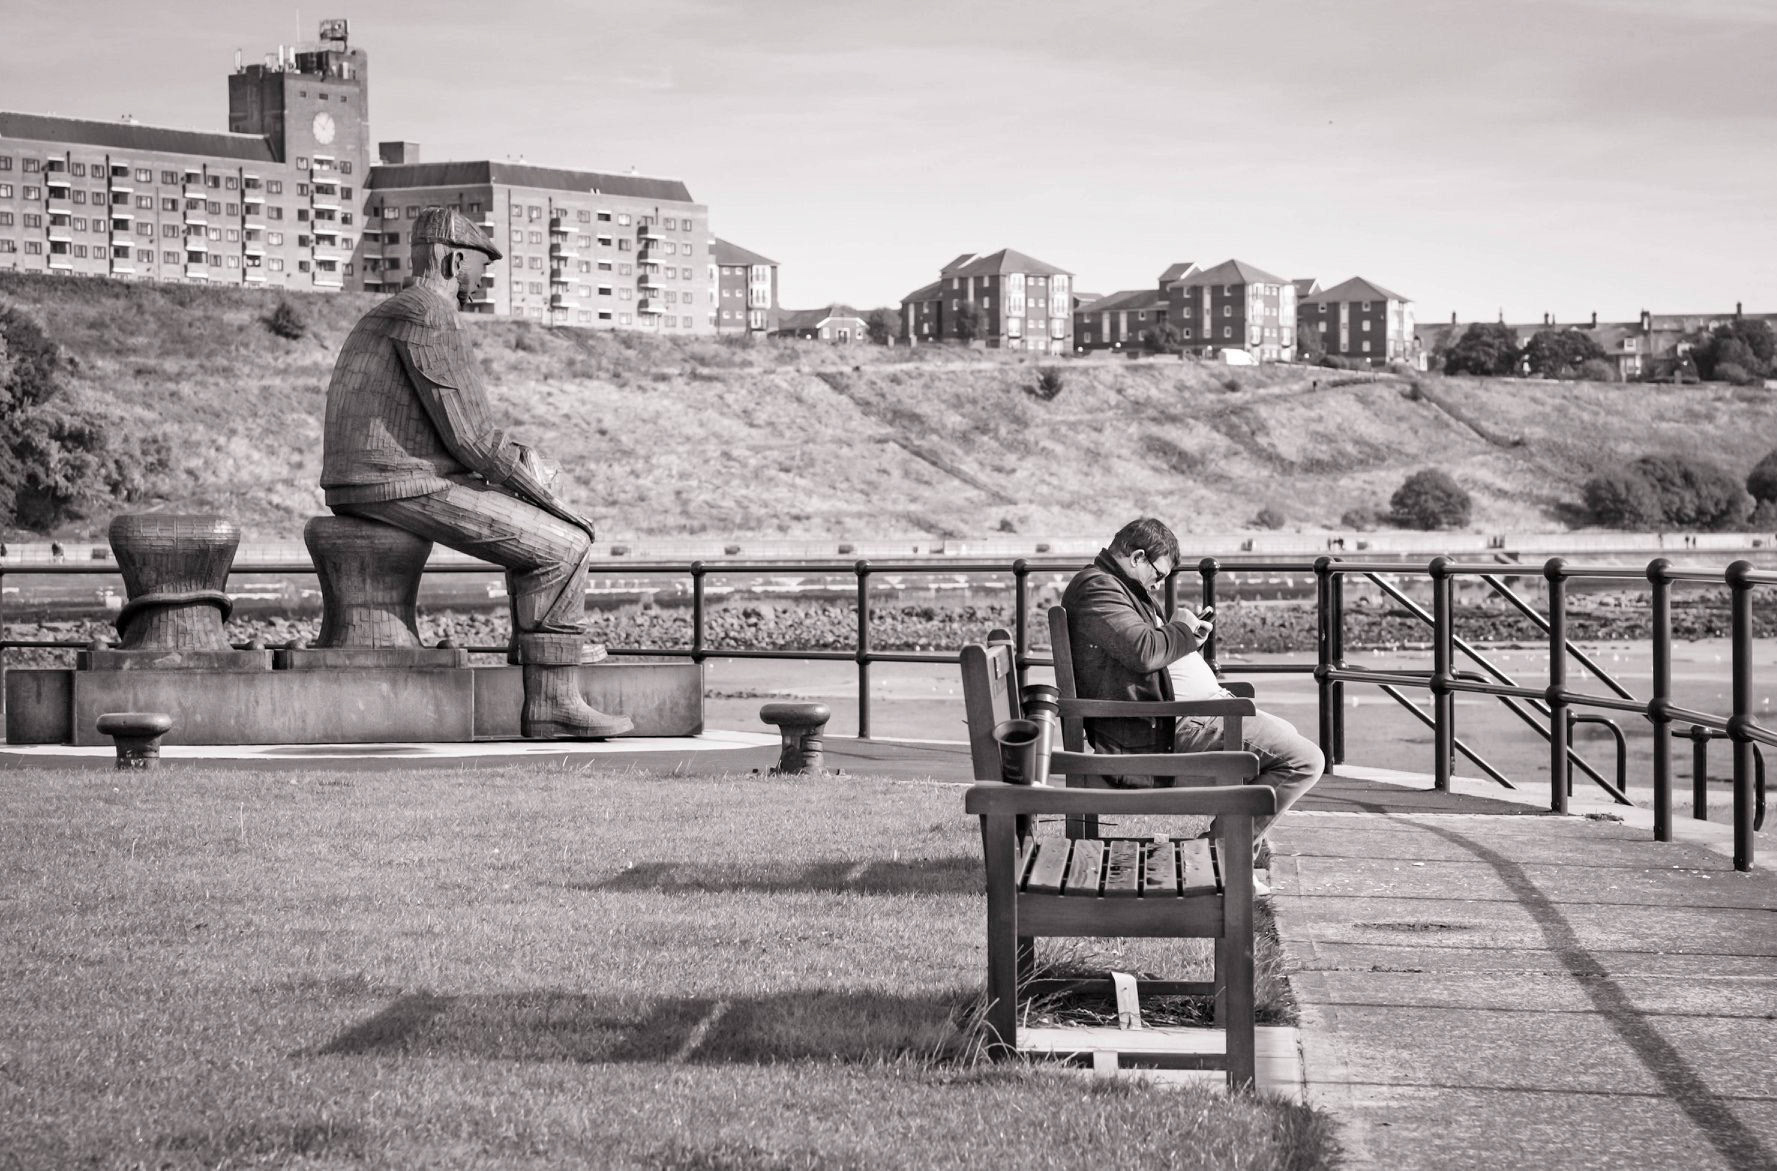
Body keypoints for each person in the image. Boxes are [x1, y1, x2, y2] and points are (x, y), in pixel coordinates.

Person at [320, 207, 630, 739]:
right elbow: (472, 438)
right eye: (479, 269)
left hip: (372, 476)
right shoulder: (429, 315)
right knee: (564, 546)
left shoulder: (385, 312)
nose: (479, 283)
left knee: (545, 533)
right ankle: (554, 703)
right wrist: (552, 502)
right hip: (397, 481)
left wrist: (522, 476)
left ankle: (536, 643)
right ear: (453, 258)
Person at [1060, 516, 1323, 856]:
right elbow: (1144, 652)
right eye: (1158, 575)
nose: (1157, 585)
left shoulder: (1116, 587)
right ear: (1138, 556)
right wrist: (1180, 628)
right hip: (1161, 732)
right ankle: (1220, 854)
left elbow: (1146, 652)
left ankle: (1236, 845)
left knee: (1286, 737)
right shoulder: (1098, 588)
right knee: (1304, 760)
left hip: (1174, 719)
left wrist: (1187, 641)